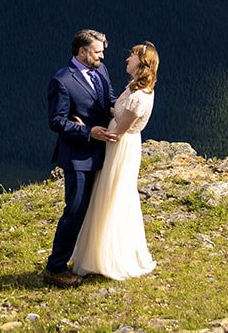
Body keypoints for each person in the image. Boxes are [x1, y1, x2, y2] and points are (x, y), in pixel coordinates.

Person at [70, 42, 158, 280]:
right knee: (112, 194)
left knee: (113, 195)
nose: (127, 60)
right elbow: (117, 113)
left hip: (121, 148)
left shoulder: (139, 96)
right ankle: (105, 253)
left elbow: (116, 133)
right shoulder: (136, 90)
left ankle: (109, 256)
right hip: (122, 147)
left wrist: (84, 128)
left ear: (142, 62)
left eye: (131, 56)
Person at [43, 28, 116, 287]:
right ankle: (55, 267)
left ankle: (93, 259)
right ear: (82, 52)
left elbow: (109, 98)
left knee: (100, 208)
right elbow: (57, 122)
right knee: (74, 211)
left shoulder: (101, 71)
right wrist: (88, 131)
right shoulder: (62, 80)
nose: (102, 57)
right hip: (78, 157)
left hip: (105, 152)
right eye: (98, 52)